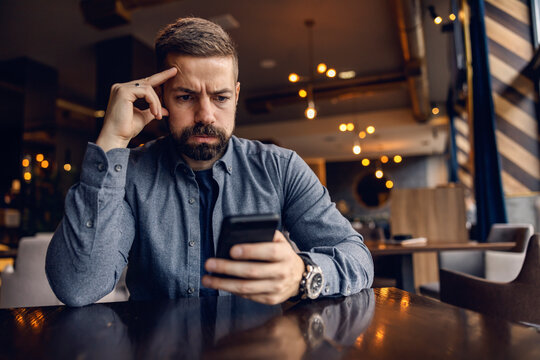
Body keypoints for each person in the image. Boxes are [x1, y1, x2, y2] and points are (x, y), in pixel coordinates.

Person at [45, 17, 373, 307]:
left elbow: (359, 260)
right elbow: (77, 287)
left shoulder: (281, 168)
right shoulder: (130, 173)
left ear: (237, 94)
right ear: (160, 98)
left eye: (220, 97)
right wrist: (113, 142)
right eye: (186, 97)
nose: (206, 115)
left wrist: (304, 274)